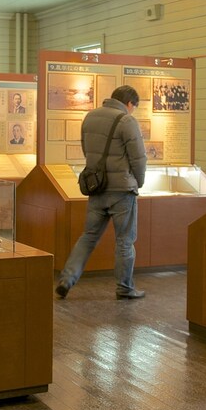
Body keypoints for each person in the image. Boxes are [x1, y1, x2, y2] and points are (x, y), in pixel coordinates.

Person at [56, 85, 147, 300]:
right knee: (125, 241)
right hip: (122, 191)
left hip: (97, 188)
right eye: (134, 107)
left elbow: (87, 150)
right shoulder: (127, 121)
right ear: (129, 103)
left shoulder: (90, 117)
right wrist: (139, 182)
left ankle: (66, 279)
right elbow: (139, 158)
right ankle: (125, 288)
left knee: (88, 237)